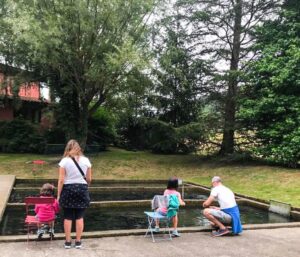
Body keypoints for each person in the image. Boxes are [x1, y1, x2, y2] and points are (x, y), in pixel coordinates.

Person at [57, 139, 92, 249]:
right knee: (79, 216)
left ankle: (67, 242)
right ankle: (78, 242)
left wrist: (58, 195)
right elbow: (89, 179)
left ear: (67, 148)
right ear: (78, 148)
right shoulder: (86, 160)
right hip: (82, 188)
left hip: (68, 189)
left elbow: (61, 180)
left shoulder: (64, 161)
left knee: (67, 217)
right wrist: (85, 187)